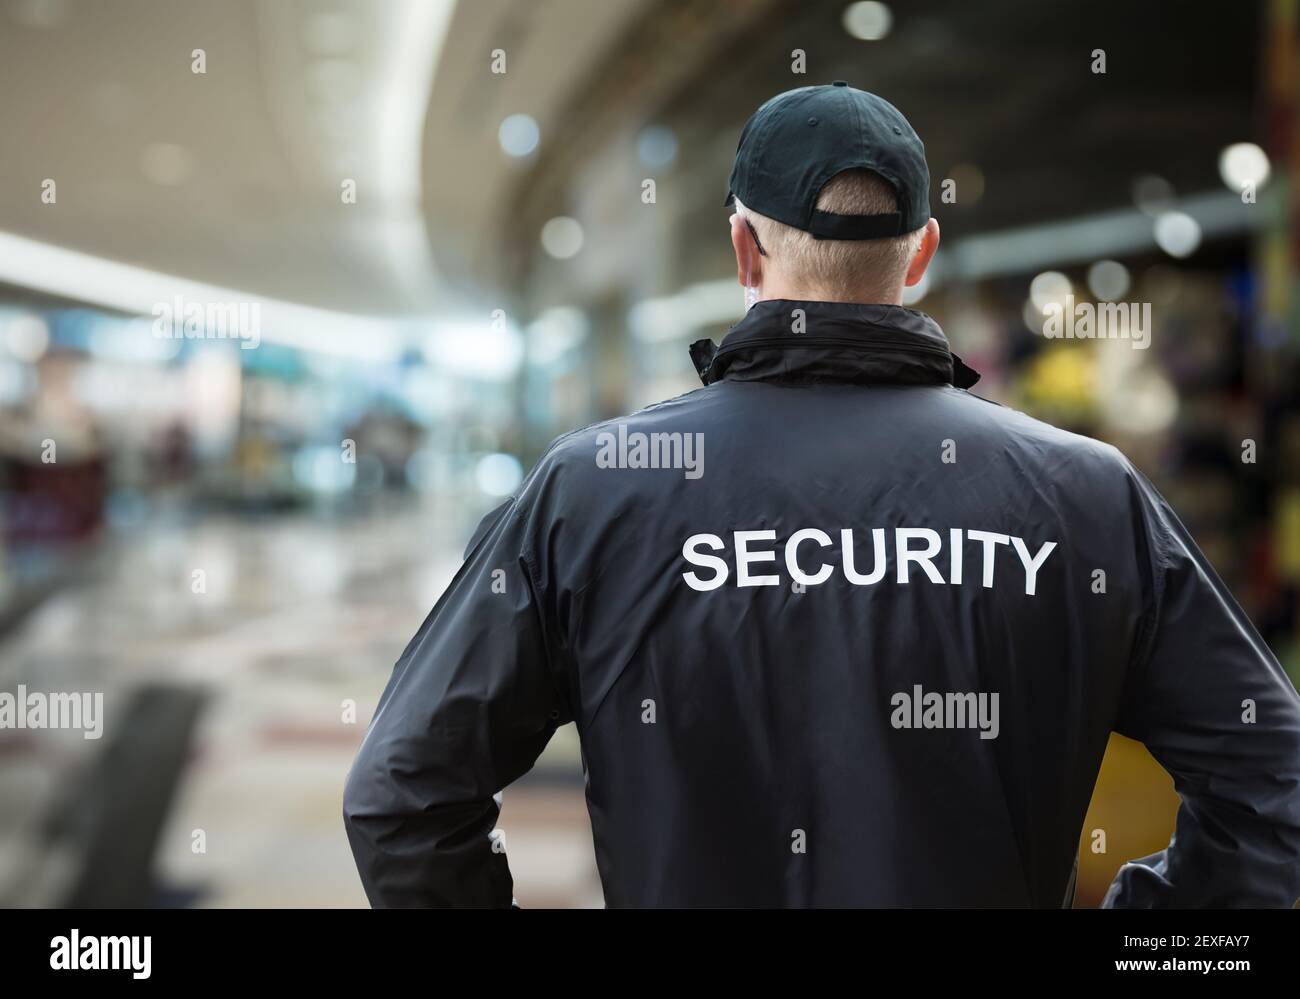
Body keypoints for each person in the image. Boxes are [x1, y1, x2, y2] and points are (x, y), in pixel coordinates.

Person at [343, 83, 1300, 907]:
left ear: (743, 250)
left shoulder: (595, 491)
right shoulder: (1083, 493)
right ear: (920, 253)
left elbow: (404, 791)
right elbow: (1276, 785)